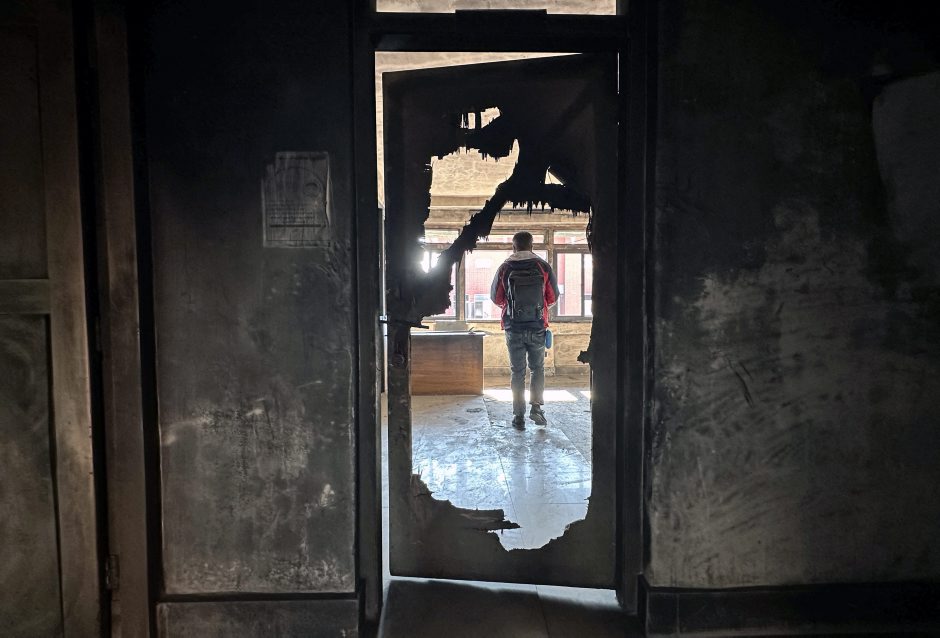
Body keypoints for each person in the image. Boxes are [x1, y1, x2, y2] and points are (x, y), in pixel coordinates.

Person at [490, 231, 560, 429]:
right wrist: (538, 308)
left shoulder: (505, 267)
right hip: (537, 326)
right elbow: (553, 297)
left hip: (513, 327)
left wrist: (512, 307)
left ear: (514, 247)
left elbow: (496, 297)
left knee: (517, 372)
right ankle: (536, 409)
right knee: (537, 369)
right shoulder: (542, 266)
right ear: (532, 246)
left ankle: (518, 417)